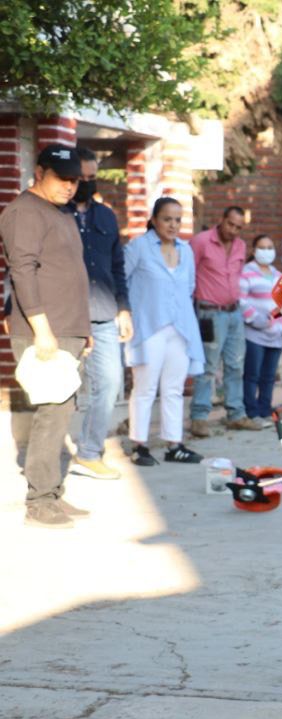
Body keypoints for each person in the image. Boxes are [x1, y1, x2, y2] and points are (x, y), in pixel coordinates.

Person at [0, 144, 91, 528]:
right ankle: (39, 502)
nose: (70, 186)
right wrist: (42, 330)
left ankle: (52, 491)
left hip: (67, 328)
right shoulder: (23, 212)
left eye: (75, 180)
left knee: (62, 411)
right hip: (45, 330)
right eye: (62, 178)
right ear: (40, 173)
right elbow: (22, 271)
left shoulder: (59, 211)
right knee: (51, 413)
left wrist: (83, 331)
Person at [67, 146, 134, 481]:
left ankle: (89, 453)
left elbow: (117, 267)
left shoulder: (106, 216)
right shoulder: (56, 214)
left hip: (104, 313)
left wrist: (124, 308)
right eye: (82, 177)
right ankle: (47, 460)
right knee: (60, 391)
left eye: (93, 177)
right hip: (64, 316)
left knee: (109, 384)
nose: (87, 183)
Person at [124, 198, 205, 467]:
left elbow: (190, 286)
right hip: (149, 326)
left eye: (177, 220)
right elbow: (121, 279)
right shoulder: (139, 246)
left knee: (174, 388)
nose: (173, 225)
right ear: (155, 219)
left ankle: (174, 444)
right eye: (167, 219)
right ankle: (139, 445)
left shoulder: (186, 250)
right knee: (145, 388)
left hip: (180, 327)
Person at [190, 206, 259, 434]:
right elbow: (189, 275)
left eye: (239, 227)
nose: (233, 230)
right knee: (208, 366)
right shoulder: (201, 241)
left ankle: (235, 414)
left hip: (234, 312)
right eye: (230, 224)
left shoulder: (240, 245)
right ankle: (199, 417)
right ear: (221, 219)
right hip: (209, 312)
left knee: (235, 364)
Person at [240, 234, 282, 427]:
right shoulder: (246, 273)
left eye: (270, 247)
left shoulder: (278, 275)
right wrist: (258, 320)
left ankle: (265, 410)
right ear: (254, 250)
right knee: (252, 374)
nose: (266, 251)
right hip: (255, 334)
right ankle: (252, 413)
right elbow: (241, 301)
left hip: (276, 334)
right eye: (262, 247)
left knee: (269, 376)